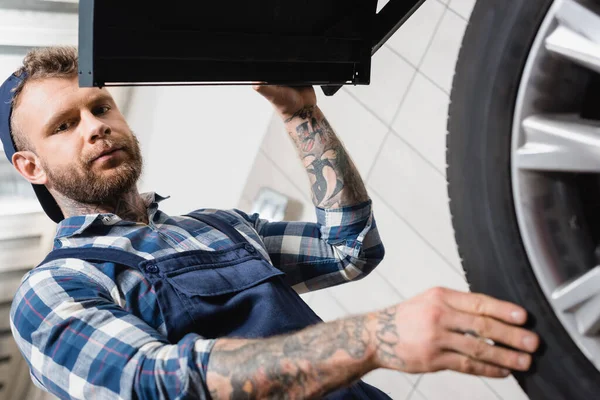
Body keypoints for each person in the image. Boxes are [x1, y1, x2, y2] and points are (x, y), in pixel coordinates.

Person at [2, 46, 539, 400]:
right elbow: (157, 384)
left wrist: (301, 114)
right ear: (31, 166)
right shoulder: (54, 288)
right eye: (65, 124)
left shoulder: (216, 226)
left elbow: (351, 250)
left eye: (101, 107)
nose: (95, 128)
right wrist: (374, 338)